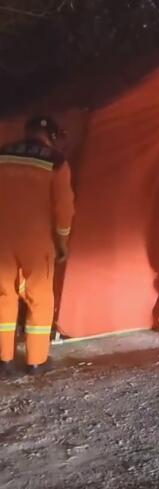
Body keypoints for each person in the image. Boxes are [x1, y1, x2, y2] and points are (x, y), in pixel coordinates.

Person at [0, 116, 75, 377]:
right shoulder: (56, 161)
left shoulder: (2, 153)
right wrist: (62, 242)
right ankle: (36, 360)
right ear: (51, 137)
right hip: (36, 240)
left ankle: (4, 360)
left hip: (1, 238)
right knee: (40, 298)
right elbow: (64, 208)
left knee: (3, 297)